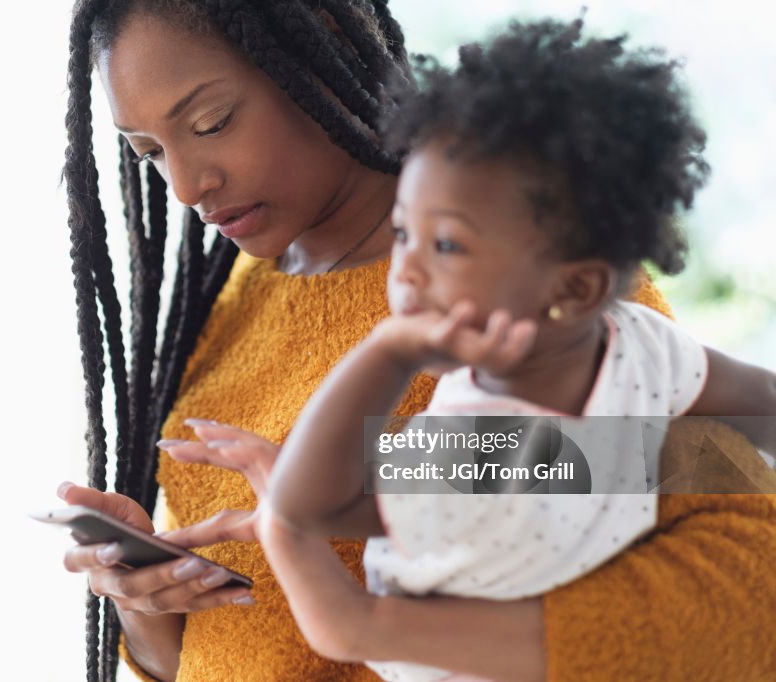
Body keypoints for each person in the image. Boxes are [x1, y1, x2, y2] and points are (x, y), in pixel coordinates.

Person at [55, 2, 776, 681]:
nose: (185, 185)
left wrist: (368, 478)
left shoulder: (520, 271)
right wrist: (144, 608)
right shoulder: (230, 292)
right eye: (148, 151)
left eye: (211, 122)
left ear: (321, 55)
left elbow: (719, 505)